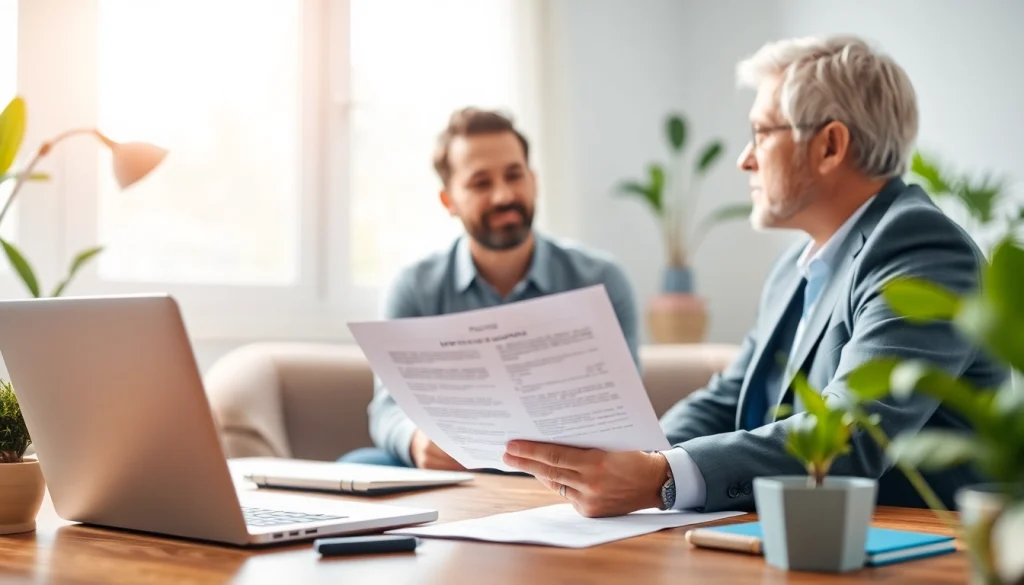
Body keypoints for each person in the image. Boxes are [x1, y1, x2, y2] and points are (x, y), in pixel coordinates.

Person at [500, 35, 1009, 515]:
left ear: (830, 145)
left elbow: (848, 431)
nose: (745, 159)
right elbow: (728, 397)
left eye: (761, 133)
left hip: (907, 550)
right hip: (788, 534)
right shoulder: (794, 266)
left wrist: (661, 478)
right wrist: (632, 453)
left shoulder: (921, 247)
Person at [341, 107, 641, 470]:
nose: (503, 196)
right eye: (480, 183)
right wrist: (417, 442)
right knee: (358, 465)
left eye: (514, 176)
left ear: (534, 181)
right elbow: (388, 408)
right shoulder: (413, 288)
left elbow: (626, 408)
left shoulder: (602, 280)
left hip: (563, 472)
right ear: (448, 201)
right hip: (451, 473)